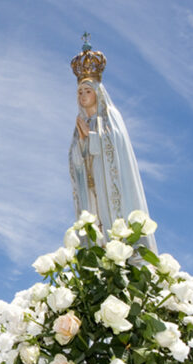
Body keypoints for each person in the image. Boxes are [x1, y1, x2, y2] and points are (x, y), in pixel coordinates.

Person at [69, 41, 157, 252]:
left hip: (110, 187)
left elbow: (116, 145)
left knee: (114, 228)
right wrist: (81, 143)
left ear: (97, 93)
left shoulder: (110, 116)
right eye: (80, 92)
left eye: (87, 91)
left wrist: (90, 138)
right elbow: (75, 162)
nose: (83, 97)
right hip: (91, 189)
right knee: (95, 227)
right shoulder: (80, 123)